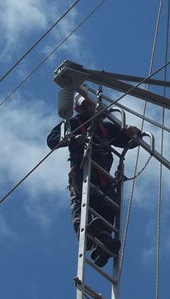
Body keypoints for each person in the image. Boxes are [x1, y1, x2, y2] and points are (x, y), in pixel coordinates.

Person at [47, 93, 140, 267]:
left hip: (103, 179)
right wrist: (73, 139)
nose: (89, 108)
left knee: (108, 208)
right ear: (77, 109)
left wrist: (134, 132)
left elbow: (129, 141)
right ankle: (89, 236)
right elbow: (52, 140)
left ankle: (103, 243)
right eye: (84, 106)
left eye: (90, 104)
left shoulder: (105, 127)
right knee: (81, 207)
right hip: (82, 174)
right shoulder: (73, 124)